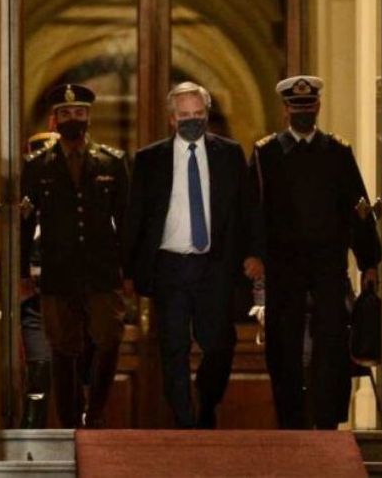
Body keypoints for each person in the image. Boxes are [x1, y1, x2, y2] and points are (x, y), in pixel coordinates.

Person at [124, 81, 264, 429]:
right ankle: (186, 423)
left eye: (198, 114)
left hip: (215, 266)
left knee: (219, 344)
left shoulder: (229, 154)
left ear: (207, 114)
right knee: (173, 347)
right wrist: (127, 270)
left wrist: (254, 253)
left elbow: (248, 209)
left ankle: (205, 399)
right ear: (172, 119)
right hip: (170, 265)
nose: (192, 121)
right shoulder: (149, 159)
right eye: (184, 115)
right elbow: (135, 218)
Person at [248, 75, 381, 430]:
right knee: (283, 344)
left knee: (332, 341)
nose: (303, 113)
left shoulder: (338, 152)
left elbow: (358, 209)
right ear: (285, 110)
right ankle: (289, 420)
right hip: (283, 265)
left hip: (327, 264)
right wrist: (254, 256)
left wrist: (369, 260)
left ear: (318, 107)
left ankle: (327, 419)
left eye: (308, 107)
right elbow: (252, 210)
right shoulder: (266, 153)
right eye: (296, 107)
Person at [20, 83, 129, 429]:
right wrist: (22, 272)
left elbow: (126, 222)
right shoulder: (38, 167)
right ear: (55, 119)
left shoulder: (112, 161)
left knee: (108, 338)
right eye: (65, 114)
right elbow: (25, 223)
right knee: (63, 347)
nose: (73, 119)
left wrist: (128, 271)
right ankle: (69, 418)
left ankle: (95, 410)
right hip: (59, 270)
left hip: (101, 270)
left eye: (79, 112)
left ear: (88, 116)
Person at [19, 131, 58, 429]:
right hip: (35, 299)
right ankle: (33, 430)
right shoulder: (23, 209)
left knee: (79, 367)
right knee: (39, 367)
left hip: (74, 295)